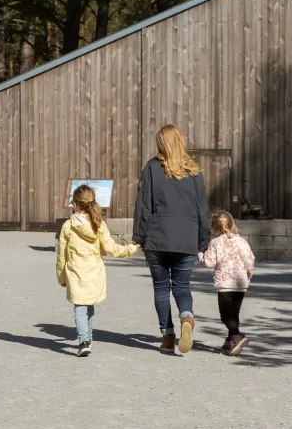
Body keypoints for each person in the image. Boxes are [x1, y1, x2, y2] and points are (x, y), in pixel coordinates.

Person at [133, 124, 209, 354]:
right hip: (186, 237)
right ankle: (187, 317)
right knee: (182, 285)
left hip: (158, 236)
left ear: (161, 143)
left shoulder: (152, 168)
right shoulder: (194, 172)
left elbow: (144, 205)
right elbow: (202, 210)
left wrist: (139, 236)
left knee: (160, 288)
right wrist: (203, 240)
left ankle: (167, 336)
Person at [56, 184, 140, 357]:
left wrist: (61, 277)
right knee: (89, 306)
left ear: (75, 204)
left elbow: (61, 256)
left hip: (75, 272)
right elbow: (112, 249)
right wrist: (131, 249)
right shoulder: (98, 225)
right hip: (95, 272)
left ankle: (83, 340)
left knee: (79, 307)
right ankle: (88, 338)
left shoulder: (67, 226)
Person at [197, 210, 256, 356]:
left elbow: (209, 263)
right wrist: (249, 271)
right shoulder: (242, 241)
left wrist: (200, 254)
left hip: (225, 284)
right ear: (232, 223)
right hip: (241, 283)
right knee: (234, 314)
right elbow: (250, 258)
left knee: (225, 316)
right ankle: (230, 341)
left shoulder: (215, 243)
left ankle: (237, 335)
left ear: (214, 228)